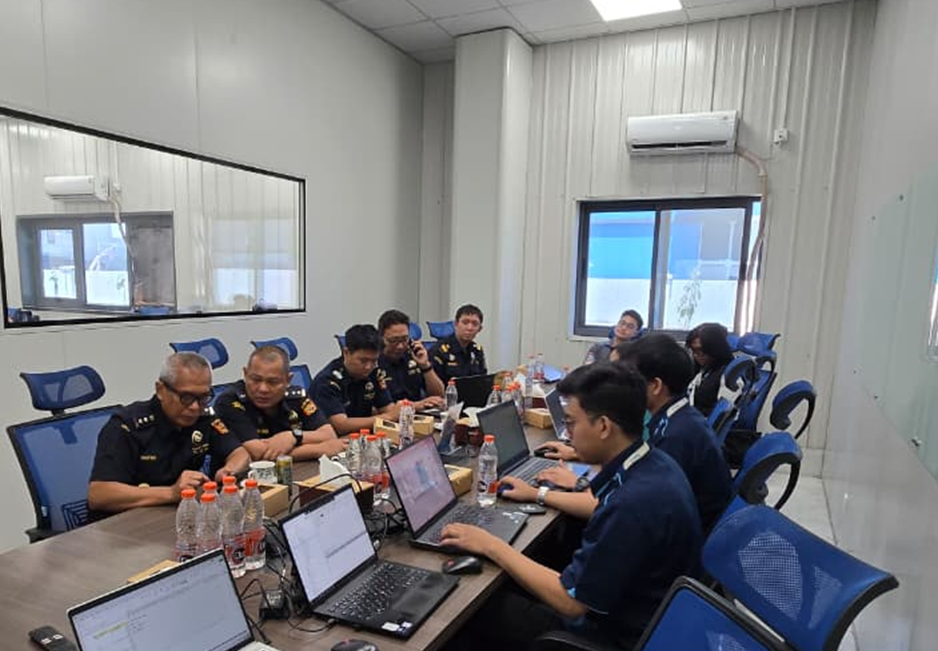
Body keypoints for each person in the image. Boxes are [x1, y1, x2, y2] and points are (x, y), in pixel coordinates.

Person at [440, 363, 702, 649]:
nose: (567, 432)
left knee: (468, 610)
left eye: (572, 422)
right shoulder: (654, 463)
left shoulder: (633, 505)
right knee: (518, 569)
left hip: (611, 635)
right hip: (647, 614)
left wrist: (490, 545)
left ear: (603, 426)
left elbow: (571, 603)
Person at [87, 352, 250, 514]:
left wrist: (229, 471)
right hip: (125, 521)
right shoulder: (128, 426)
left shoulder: (203, 418)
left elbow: (240, 454)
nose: (195, 407)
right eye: (186, 397)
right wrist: (171, 493)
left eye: (203, 397)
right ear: (160, 390)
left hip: (176, 514)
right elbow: (99, 495)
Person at [617, 333, 733, 532]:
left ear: (655, 386)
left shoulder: (674, 436)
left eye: (630, 380)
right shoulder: (680, 416)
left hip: (683, 536)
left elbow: (643, 508)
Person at [214, 345, 347, 461]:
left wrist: (293, 436)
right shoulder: (230, 401)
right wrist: (319, 449)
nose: (263, 389)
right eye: (255, 380)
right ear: (245, 374)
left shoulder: (296, 397)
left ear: (288, 380)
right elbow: (259, 453)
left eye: (273, 382)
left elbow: (328, 434)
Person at [312, 324, 400, 435]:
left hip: (364, 436)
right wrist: (388, 417)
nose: (368, 367)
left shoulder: (374, 372)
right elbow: (341, 425)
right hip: (336, 440)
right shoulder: (327, 381)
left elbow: (388, 408)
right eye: (363, 360)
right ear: (346, 353)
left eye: (374, 361)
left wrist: (398, 412)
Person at [377, 309, 445, 409]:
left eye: (404, 339)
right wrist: (418, 405)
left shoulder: (413, 354)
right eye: (394, 340)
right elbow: (380, 409)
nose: (400, 346)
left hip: (418, 414)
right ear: (381, 338)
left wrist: (425, 366)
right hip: (390, 416)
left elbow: (439, 395)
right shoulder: (373, 361)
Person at [685, 322, 735, 417]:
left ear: (714, 348)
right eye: (694, 350)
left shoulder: (728, 374)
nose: (696, 355)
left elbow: (721, 416)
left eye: (701, 350)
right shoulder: (706, 368)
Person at [430, 304, 487, 384]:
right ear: (456, 324)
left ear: (480, 329)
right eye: (465, 323)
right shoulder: (439, 350)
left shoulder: (477, 350)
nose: (469, 328)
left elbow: (483, 380)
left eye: (474, 324)